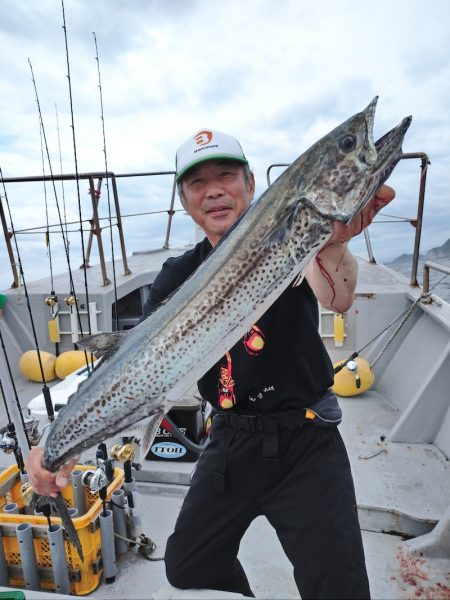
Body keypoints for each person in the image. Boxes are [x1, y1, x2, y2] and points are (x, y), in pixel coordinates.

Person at [25, 128, 395, 599]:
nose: (215, 189)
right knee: (187, 565)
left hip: (308, 441)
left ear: (251, 184)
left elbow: (338, 297)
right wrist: (56, 446)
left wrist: (335, 242)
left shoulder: (295, 235)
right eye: (198, 182)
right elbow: (132, 366)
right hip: (231, 441)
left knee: (340, 589)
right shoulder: (177, 275)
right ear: (185, 200)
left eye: (226, 175)